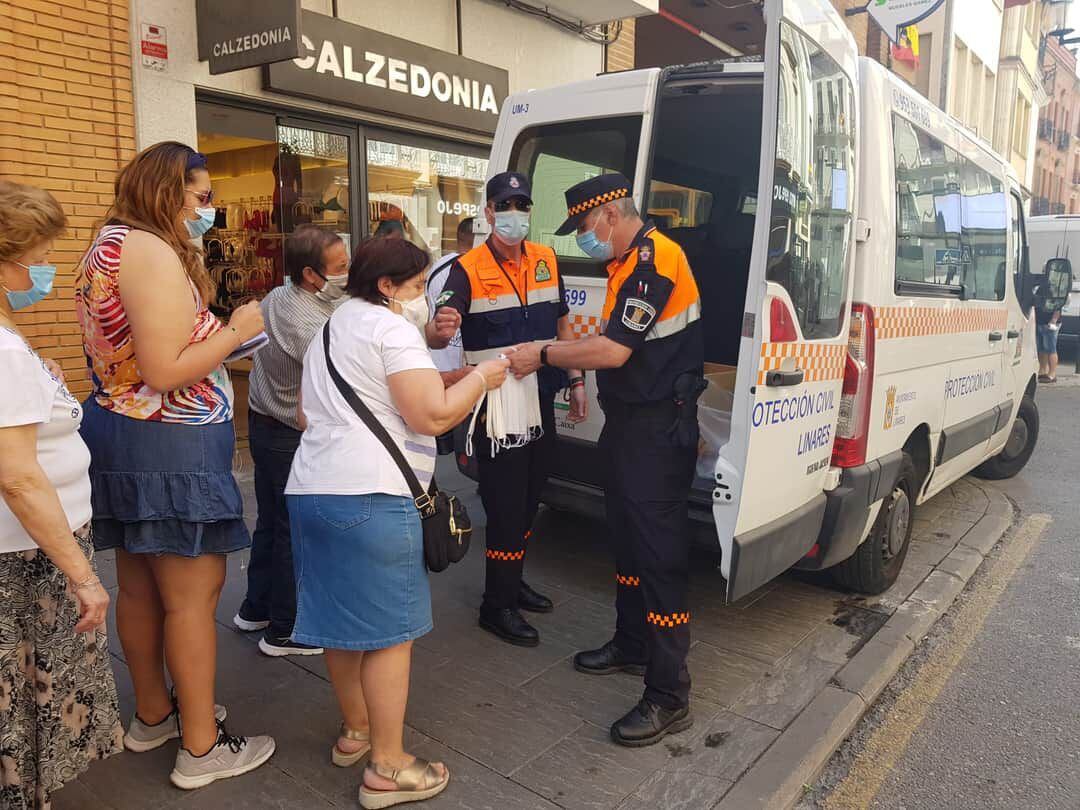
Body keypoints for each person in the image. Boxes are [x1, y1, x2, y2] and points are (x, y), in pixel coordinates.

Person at [76, 142, 275, 789]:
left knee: (139, 585)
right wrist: (236, 329)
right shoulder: (150, 251)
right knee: (192, 599)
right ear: (168, 192)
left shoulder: (107, 246)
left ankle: (156, 714)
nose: (208, 208)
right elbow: (164, 372)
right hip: (170, 443)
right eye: (201, 195)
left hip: (123, 435)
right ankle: (201, 747)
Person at [284, 237, 509, 808]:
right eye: (415, 285)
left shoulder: (332, 329)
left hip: (311, 490)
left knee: (339, 623)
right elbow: (431, 415)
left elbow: (306, 413)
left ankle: (355, 730)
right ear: (387, 286)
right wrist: (480, 381)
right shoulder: (391, 330)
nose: (420, 297)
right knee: (390, 636)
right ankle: (388, 766)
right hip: (372, 497)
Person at [506, 173, 704, 747]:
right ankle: (632, 643)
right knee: (626, 536)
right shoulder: (626, 263)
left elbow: (615, 350)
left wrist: (541, 353)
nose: (584, 239)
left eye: (586, 228)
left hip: (658, 429)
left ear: (611, 217)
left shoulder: (654, 261)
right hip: (630, 426)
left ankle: (669, 695)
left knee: (659, 554)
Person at [0, 180, 123, 809]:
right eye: (39, 254)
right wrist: (82, 575)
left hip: (24, 546)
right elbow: (18, 476)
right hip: (27, 556)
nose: (45, 268)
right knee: (27, 696)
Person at [437, 173, 587, 647]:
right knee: (504, 503)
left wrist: (578, 381)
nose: (515, 213)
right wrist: (441, 329)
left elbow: (562, 322)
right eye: (506, 204)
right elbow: (439, 332)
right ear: (488, 213)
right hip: (496, 407)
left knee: (530, 497)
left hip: (540, 397)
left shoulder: (545, 259)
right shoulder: (466, 269)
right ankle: (495, 605)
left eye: (522, 204)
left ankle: (512, 579)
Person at [233, 226, 350, 657]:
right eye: (339, 268)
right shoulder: (306, 319)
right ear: (310, 275)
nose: (347, 273)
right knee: (293, 531)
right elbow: (343, 370)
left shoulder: (278, 296)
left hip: (265, 424)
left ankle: (255, 609)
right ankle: (286, 630)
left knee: (270, 521)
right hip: (287, 432)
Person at [1036, 294, 1062, 383]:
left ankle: (1052, 373)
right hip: (1040, 320)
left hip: (1050, 322)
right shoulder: (1039, 285)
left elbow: (1059, 305)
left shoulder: (1055, 288)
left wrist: (1054, 319)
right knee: (1042, 348)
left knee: (1050, 348)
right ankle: (1042, 371)